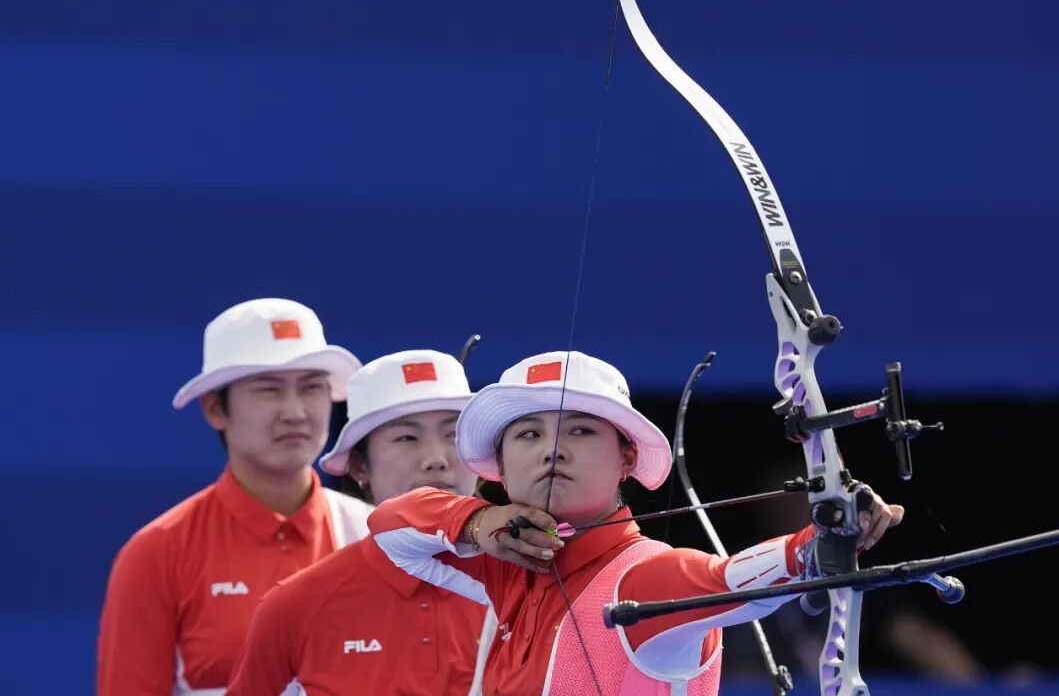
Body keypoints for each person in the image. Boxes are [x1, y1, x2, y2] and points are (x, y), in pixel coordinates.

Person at [366, 351, 904, 695]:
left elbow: (729, 580)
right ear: (501, 469)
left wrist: (822, 541)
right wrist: (478, 521)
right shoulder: (506, 567)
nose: (553, 449)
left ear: (626, 457)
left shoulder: (642, 579)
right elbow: (390, 525)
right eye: (529, 434)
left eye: (580, 431)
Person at [97, 298, 373, 696]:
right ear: (215, 408)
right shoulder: (157, 552)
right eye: (268, 389)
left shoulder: (376, 536)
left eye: (312, 387)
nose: (295, 412)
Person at [226, 350, 497, 696]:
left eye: (453, 435)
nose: (436, 459)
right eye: (406, 438)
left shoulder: (527, 587)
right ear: (359, 466)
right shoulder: (295, 605)